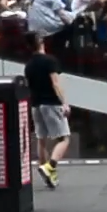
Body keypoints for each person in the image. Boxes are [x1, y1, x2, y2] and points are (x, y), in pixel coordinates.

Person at [26, 33, 69, 188]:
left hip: (36, 104)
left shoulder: (29, 64)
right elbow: (55, 83)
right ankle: (49, 166)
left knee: (41, 139)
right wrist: (64, 103)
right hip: (51, 102)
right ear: (41, 42)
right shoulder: (50, 61)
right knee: (63, 139)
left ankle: (47, 176)